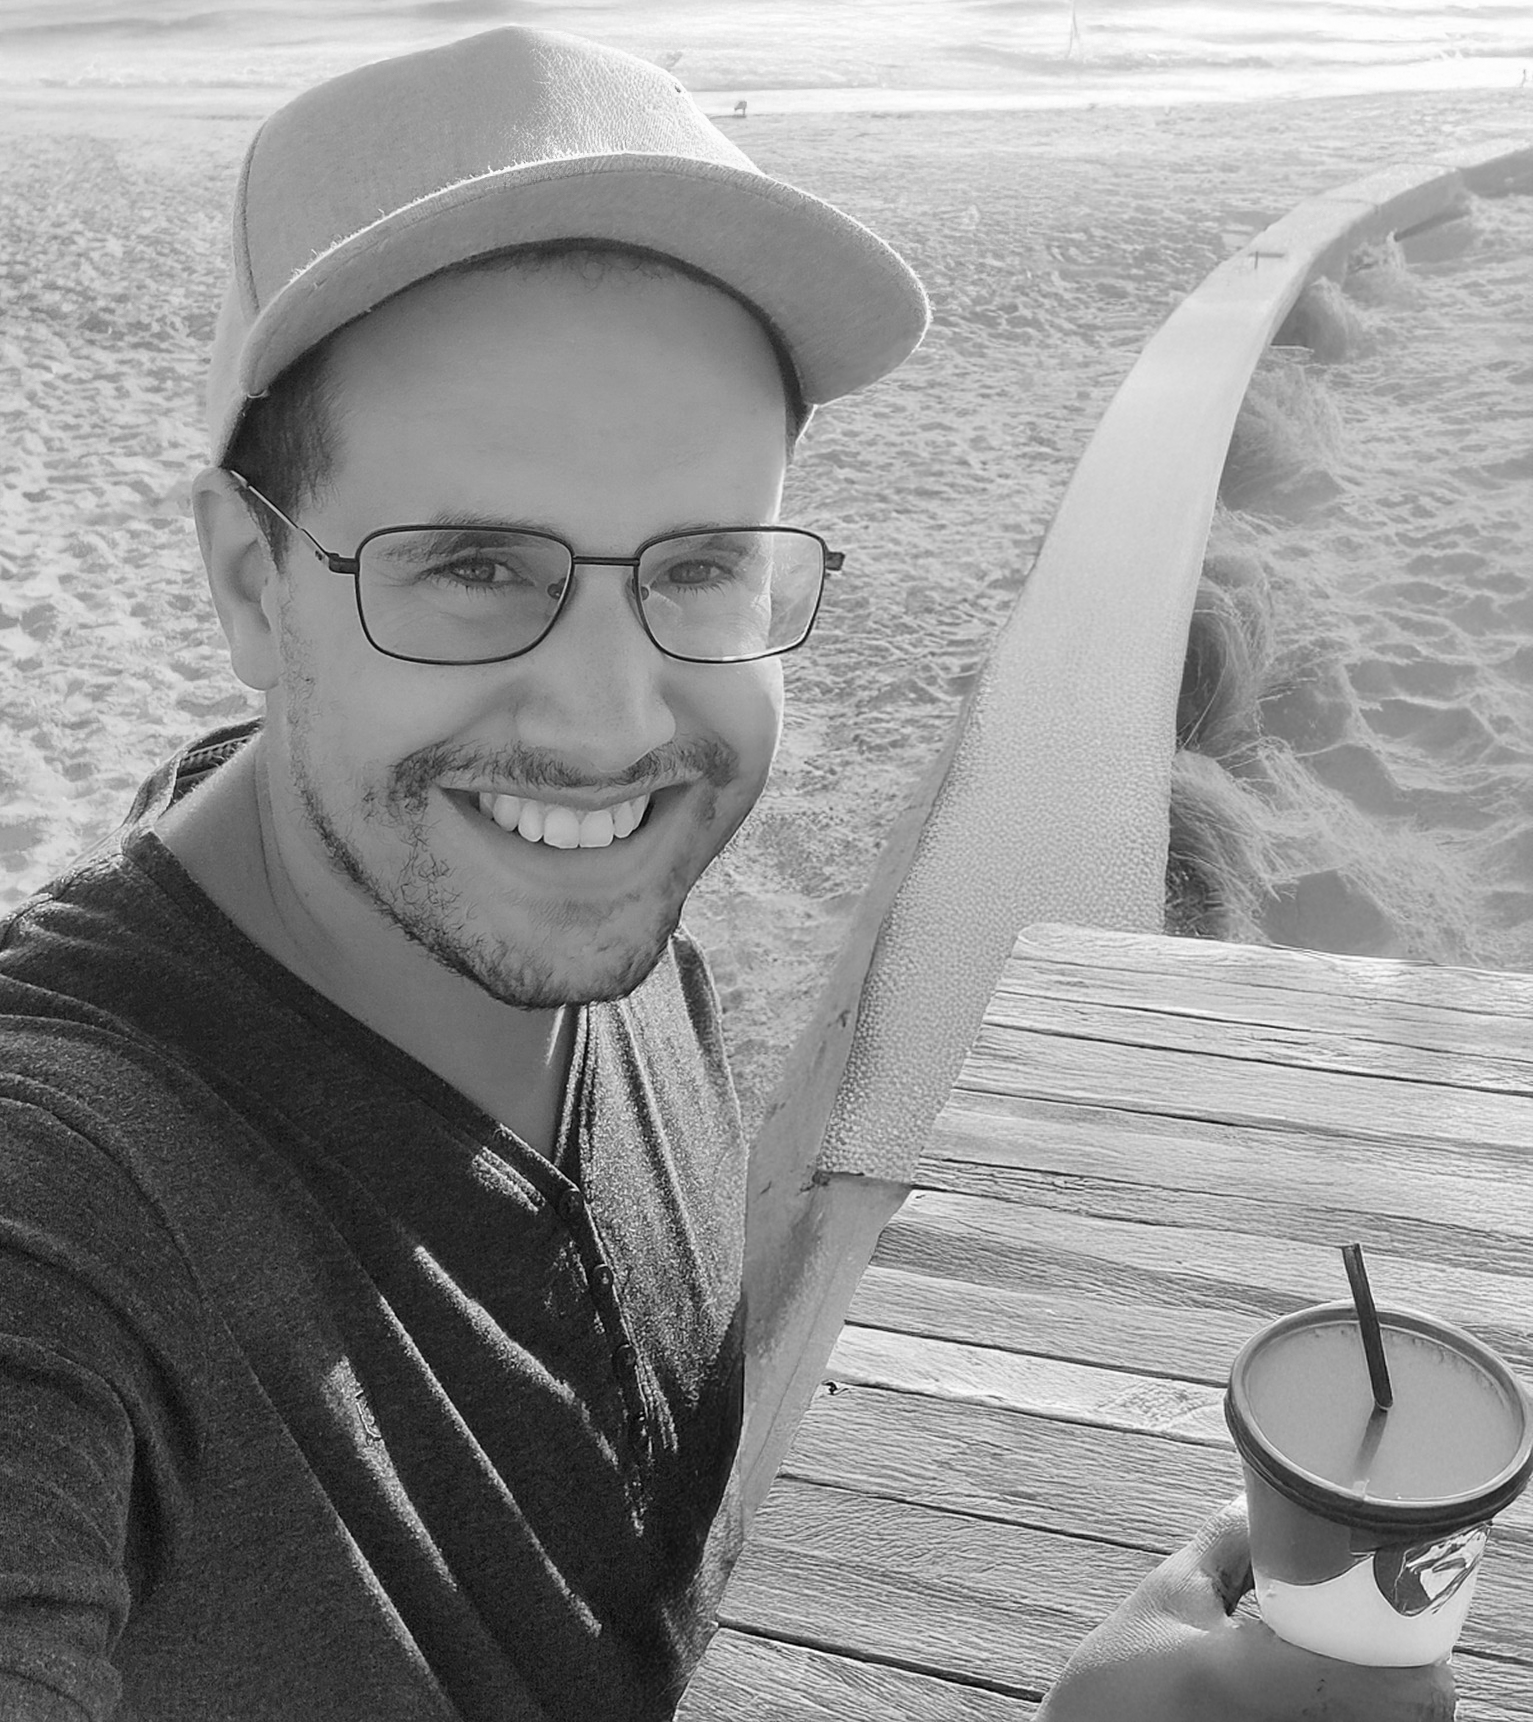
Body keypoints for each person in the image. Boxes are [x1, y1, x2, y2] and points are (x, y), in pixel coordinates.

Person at [0, 25, 1454, 1722]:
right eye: (474, 566)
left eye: (698, 565)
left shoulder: (615, 951)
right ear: (253, 584)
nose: (615, 723)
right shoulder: (70, 1224)